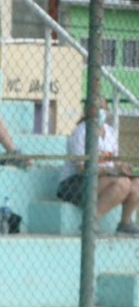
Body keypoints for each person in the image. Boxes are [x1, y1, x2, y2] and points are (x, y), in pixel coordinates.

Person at [57, 97, 139, 236]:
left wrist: (123, 167)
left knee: (136, 182)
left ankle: (125, 223)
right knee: (122, 183)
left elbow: (112, 161)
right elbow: (81, 169)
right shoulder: (81, 132)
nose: (101, 111)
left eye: (103, 108)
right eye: (97, 108)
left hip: (104, 178)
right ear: (88, 110)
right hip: (74, 183)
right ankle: (89, 223)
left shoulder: (110, 132)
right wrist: (112, 170)